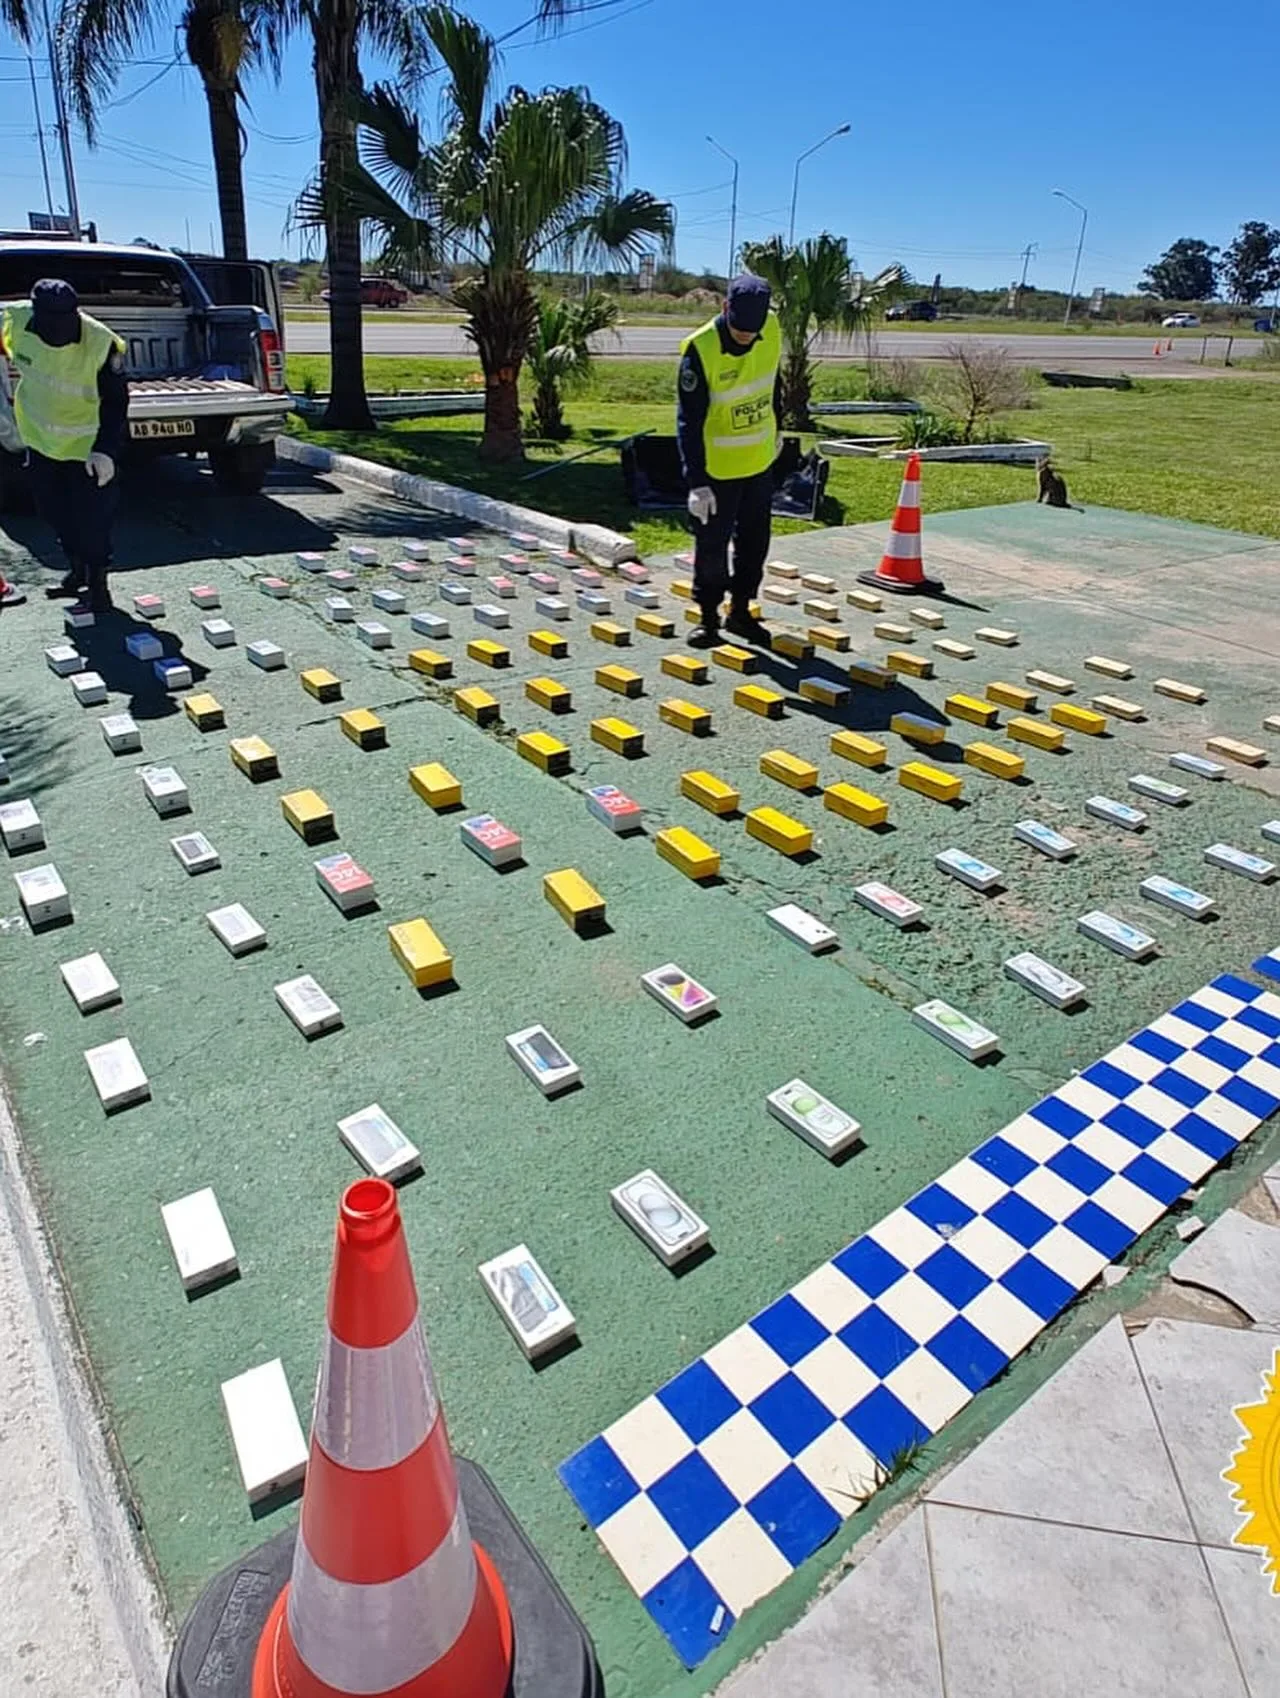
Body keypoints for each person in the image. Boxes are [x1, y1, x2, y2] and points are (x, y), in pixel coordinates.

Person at [0, 279, 128, 615]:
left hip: (87, 449)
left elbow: (116, 402)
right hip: (41, 442)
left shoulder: (100, 342)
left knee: (93, 519)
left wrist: (106, 450)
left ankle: (99, 587)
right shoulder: (14, 321)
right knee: (52, 512)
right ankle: (77, 572)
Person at [675, 273, 783, 649]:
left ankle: (740, 611)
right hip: (716, 470)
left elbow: (773, 381)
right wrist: (696, 482)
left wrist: (778, 426)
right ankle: (708, 619)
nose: (745, 337)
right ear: (725, 309)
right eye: (739, 330)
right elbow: (688, 422)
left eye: (752, 332)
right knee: (712, 547)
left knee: (755, 543)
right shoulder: (700, 349)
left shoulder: (771, 328)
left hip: (759, 462)